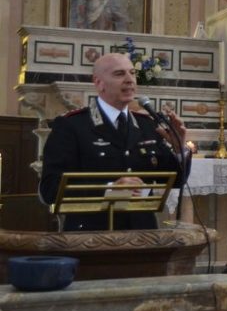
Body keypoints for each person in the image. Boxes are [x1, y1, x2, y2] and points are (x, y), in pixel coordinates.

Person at [40, 52, 190, 231]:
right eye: (119, 74)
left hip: (142, 232)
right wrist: (110, 189)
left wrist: (179, 148)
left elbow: (176, 181)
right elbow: (49, 189)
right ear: (98, 83)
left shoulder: (146, 125)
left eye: (132, 73)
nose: (129, 80)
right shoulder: (72, 125)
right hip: (91, 233)